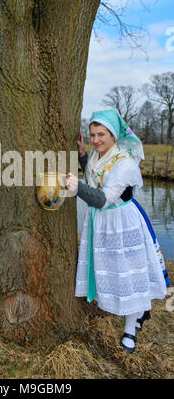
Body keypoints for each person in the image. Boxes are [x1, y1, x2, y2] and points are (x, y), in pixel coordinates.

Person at [66, 109, 167, 354]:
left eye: (101, 134)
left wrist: (75, 186)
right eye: (92, 134)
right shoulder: (97, 155)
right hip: (102, 224)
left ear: (114, 135)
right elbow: (94, 176)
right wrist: (81, 156)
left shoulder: (125, 163)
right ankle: (135, 311)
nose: (96, 140)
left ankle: (132, 327)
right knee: (111, 269)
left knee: (128, 273)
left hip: (121, 221)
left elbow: (102, 198)